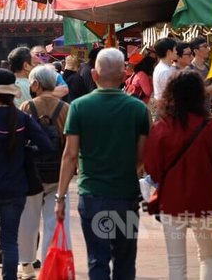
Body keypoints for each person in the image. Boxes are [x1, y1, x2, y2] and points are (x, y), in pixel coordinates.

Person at [55, 48, 150, 280]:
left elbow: (69, 155)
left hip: (93, 196)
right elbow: (142, 157)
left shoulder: (79, 107)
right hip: (125, 196)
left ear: (94, 75)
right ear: (123, 75)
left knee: (98, 259)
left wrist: (60, 197)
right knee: (125, 261)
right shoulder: (138, 109)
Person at [143, 70, 212, 280]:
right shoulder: (211, 126)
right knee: (209, 257)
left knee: (176, 261)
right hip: (204, 200)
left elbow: (152, 167)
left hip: (171, 202)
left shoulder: (162, 127)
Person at [0, 69, 53, 280]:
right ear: (12, 94)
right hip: (16, 188)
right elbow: (46, 146)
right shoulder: (22, 118)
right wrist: (26, 151)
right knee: (10, 241)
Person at [17, 65, 70, 280]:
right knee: (54, 219)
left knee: (27, 220)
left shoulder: (26, 107)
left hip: (31, 171)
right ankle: (50, 264)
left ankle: (26, 266)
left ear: (36, 84)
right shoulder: (66, 108)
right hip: (58, 171)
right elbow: (70, 143)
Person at [152, 38, 178, 110]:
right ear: (169, 52)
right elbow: (169, 93)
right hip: (167, 107)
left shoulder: (162, 67)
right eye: (175, 49)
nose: (176, 52)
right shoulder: (165, 71)